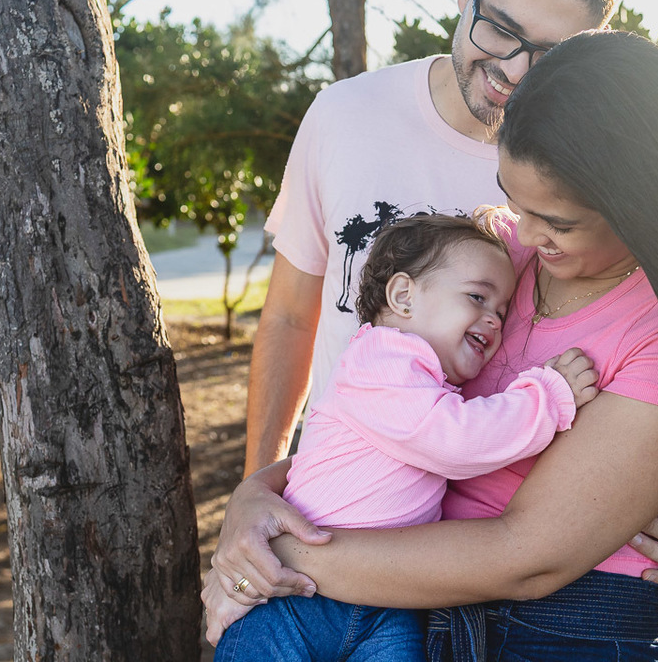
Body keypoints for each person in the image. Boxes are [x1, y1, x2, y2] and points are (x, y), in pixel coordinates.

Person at [208, 31, 658, 660]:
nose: (523, 233)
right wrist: (255, 499)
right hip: (404, 600)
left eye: (557, 222)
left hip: (561, 631)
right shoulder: (495, 260)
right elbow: (381, 406)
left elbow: (527, 557)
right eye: (513, 200)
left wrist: (282, 559)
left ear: (642, 206)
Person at [232, 0, 658, 612]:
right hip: (338, 516)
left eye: (550, 54)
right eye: (500, 29)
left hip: (453, 561)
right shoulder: (345, 116)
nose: (514, 71)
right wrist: (257, 494)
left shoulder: (592, 175)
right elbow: (289, 321)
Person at [208, 213, 600, 659]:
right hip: (298, 599)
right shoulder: (381, 361)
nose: (493, 320)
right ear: (403, 296)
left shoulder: (423, 379)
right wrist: (548, 397)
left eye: (502, 312)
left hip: (388, 598)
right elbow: (456, 439)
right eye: (477, 297)